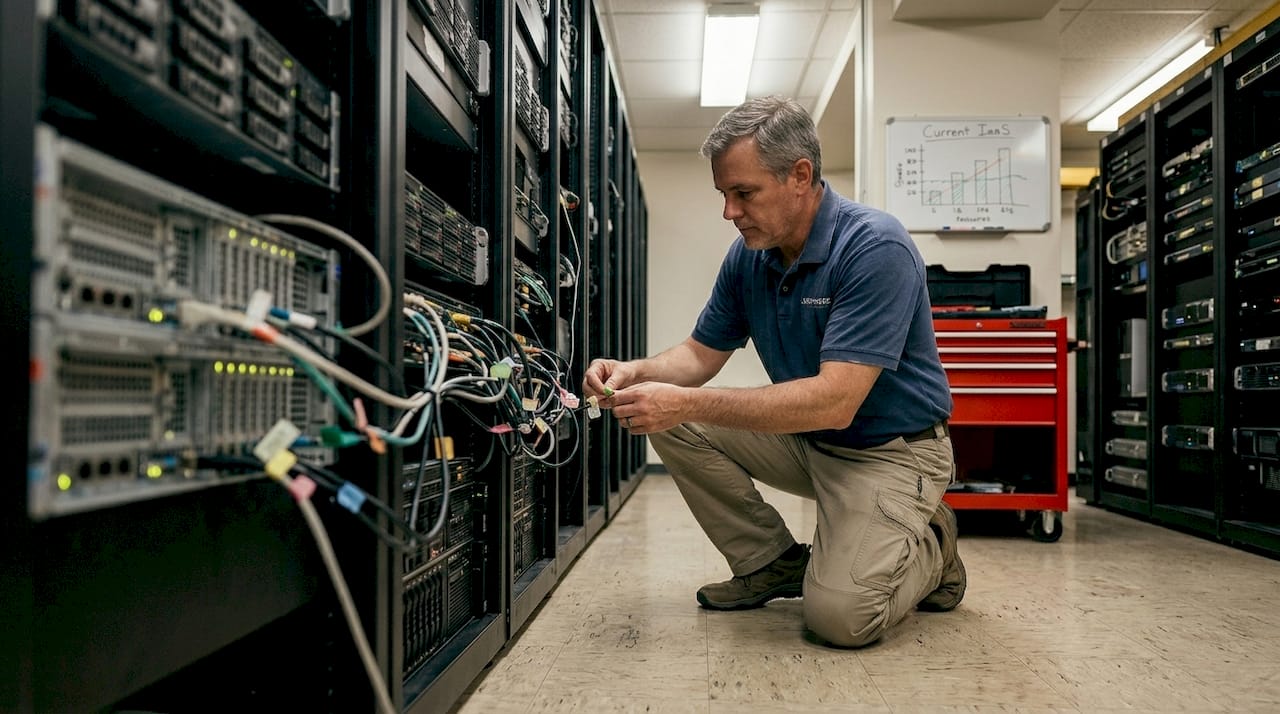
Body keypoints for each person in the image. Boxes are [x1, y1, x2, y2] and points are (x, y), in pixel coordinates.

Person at [581, 96, 962, 648]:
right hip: (811, 443)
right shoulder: (749, 257)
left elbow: (836, 401)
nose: (729, 212)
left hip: (891, 453)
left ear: (800, 176)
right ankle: (772, 561)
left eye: (744, 193)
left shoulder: (874, 248)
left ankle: (931, 546)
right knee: (659, 416)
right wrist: (636, 373)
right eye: (724, 194)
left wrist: (685, 401)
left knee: (841, 620)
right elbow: (697, 356)